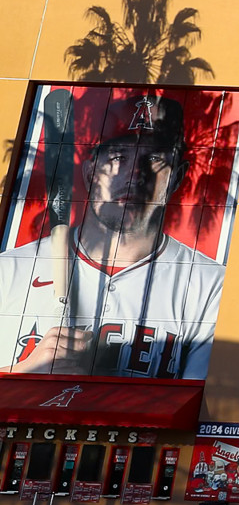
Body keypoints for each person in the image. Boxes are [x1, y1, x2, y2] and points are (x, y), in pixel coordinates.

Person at [0, 90, 223, 378]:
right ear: (90, 172)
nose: (134, 174)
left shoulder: (210, 284)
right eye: (118, 157)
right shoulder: (10, 269)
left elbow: (205, 403)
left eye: (154, 158)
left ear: (177, 177)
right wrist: (22, 374)